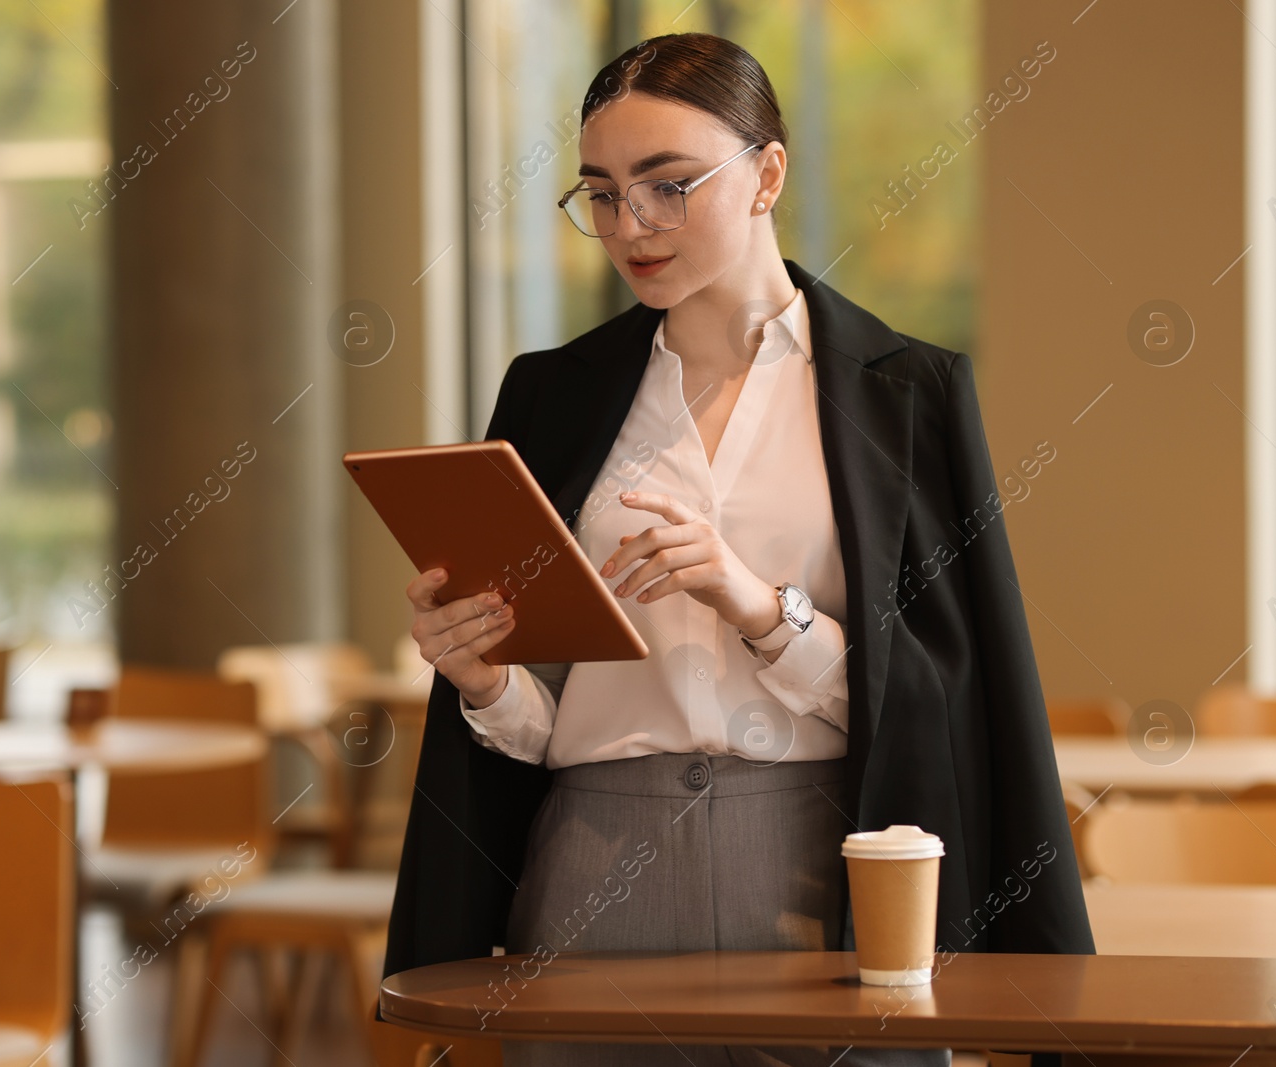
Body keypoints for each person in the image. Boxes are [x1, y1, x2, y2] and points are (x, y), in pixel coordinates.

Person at [380, 30, 1094, 1067]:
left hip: (825, 877)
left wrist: (761, 606)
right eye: (603, 194)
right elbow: (544, 719)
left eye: (669, 185)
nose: (633, 225)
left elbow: (934, 701)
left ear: (767, 173)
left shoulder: (909, 395)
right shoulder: (551, 393)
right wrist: (484, 681)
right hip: (588, 872)